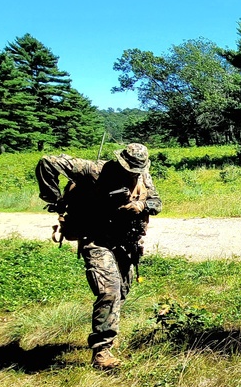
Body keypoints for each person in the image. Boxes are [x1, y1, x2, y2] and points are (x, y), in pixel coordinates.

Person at [36, 143, 162, 369]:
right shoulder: (92, 170)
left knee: (121, 291)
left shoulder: (143, 176)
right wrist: (55, 200)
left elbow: (156, 203)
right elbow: (48, 162)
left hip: (126, 242)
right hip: (95, 238)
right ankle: (102, 351)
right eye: (128, 169)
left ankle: (106, 335)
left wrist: (140, 205)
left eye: (136, 170)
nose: (132, 174)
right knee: (109, 290)